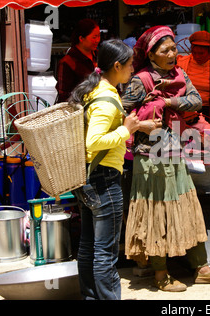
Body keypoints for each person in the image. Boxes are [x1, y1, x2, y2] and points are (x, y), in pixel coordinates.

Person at [122, 25, 210, 292]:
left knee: (188, 208)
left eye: (174, 48)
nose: (173, 53)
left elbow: (195, 101)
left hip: (174, 149)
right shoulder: (141, 80)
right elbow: (121, 113)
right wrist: (141, 126)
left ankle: (202, 269)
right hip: (149, 157)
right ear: (151, 55)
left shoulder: (180, 75)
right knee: (156, 213)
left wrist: (169, 103)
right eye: (166, 50)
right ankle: (160, 273)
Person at [68, 39, 140, 300]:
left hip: (87, 177)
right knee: (105, 254)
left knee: (89, 247)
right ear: (117, 65)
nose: (133, 70)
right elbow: (94, 141)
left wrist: (132, 127)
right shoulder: (107, 99)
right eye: (130, 65)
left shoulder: (94, 90)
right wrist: (126, 129)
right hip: (104, 180)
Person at [56, 19, 100, 103]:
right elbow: (64, 95)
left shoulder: (99, 56)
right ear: (81, 38)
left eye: (98, 36)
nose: (97, 40)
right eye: (94, 37)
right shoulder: (67, 62)